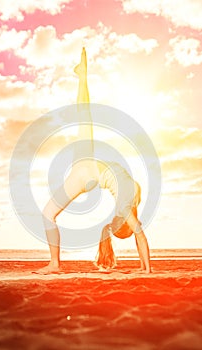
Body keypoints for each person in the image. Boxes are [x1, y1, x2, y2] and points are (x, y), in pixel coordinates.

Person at [40, 48, 151, 274]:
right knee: (84, 115)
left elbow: (138, 231)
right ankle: (82, 75)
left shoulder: (134, 195)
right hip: (86, 170)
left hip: (89, 169)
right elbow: (138, 233)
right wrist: (145, 269)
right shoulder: (129, 203)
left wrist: (146, 269)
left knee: (84, 116)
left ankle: (55, 264)